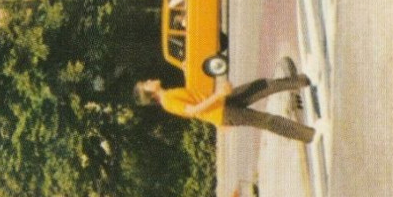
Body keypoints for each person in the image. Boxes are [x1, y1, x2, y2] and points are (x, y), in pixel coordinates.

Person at [135, 73, 316, 143]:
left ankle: (302, 80)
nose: (150, 80)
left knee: (261, 86)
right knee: (266, 120)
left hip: (223, 104)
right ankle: (308, 135)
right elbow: (192, 111)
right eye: (147, 84)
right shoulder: (168, 100)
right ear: (150, 94)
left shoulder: (169, 94)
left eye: (147, 79)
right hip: (222, 110)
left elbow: (196, 108)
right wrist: (218, 95)